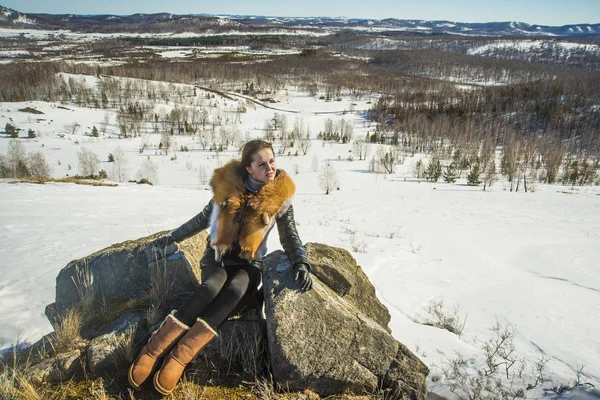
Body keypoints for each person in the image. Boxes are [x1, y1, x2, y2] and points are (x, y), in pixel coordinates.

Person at [128, 139, 313, 395]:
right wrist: (173, 238)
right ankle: (155, 348)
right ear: (248, 168)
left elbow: (289, 234)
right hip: (217, 256)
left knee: (235, 290)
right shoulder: (227, 186)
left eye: (272, 161)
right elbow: (203, 218)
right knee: (210, 288)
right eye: (262, 164)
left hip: (249, 264)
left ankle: (180, 357)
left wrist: (300, 261)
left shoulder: (280, 196)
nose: (270, 169)